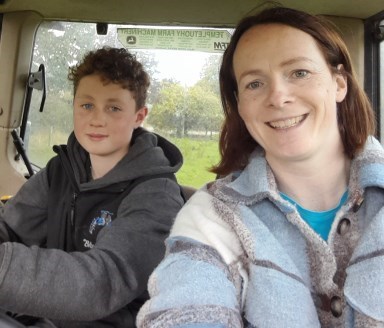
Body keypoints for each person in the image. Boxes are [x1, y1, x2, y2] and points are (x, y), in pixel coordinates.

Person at [137, 6, 384, 327]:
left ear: (339, 83)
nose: (278, 96)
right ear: (239, 104)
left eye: (299, 72)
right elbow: (185, 306)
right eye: (254, 83)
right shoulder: (210, 216)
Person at [0, 46, 185, 327]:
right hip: (48, 317)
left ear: (139, 116)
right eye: (87, 105)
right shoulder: (62, 168)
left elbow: (102, 283)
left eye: (113, 107)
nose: (97, 119)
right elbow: (12, 227)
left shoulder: (157, 192)